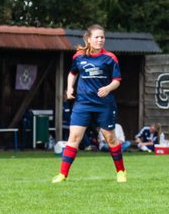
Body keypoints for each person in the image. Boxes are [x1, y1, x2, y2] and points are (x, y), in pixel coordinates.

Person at [53, 24, 126, 184]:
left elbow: (117, 81)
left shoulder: (110, 58)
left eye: (102, 37)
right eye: (97, 37)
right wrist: (69, 88)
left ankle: (121, 171)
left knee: (111, 139)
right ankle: (62, 175)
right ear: (88, 39)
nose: (100, 40)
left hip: (104, 104)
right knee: (74, 137)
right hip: (83, 104)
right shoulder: (79, 56)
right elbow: (73, 73)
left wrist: (108, 88)